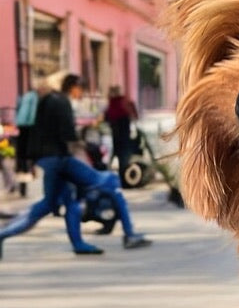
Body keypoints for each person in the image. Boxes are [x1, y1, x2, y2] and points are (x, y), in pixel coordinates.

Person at [0, 73, 151, 259]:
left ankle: (4, 235)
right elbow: (68, 134)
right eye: (81, 88)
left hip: (46, 160)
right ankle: (130, 234)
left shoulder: (44, 101)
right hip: (60, 159)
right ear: (72, 87)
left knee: (56, 203)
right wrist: (82, 147)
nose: (82, 92)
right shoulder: (60, 102)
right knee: (111, 181)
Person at [104, 85, 139, 176]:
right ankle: (123, 173)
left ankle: (111, 172)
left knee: (117, 153)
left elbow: (107, 118)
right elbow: (134, 115)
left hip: (116, 133)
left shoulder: (113, 103)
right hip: (124, 132)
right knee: (123, 155)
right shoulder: (124, 102)